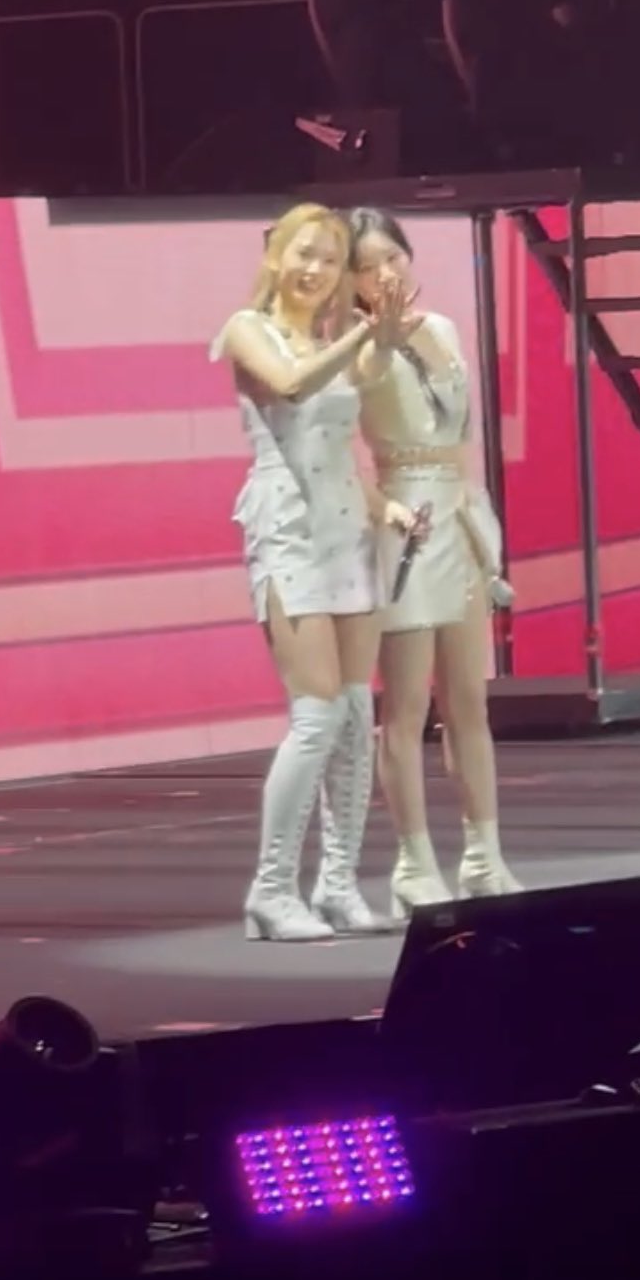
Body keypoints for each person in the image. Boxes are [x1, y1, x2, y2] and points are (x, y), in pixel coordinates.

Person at [211, 202, 426, 941]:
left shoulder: (329, 340)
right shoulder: (248, 330)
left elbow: (339, 452)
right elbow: (294, 386)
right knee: (317, 715)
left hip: (346, 534)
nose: (315, 270)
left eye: (330, 261)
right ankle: (271, 890)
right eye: (305, 254)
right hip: (288, 531)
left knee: (357, 714)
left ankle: (337, 885)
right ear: (276, 255)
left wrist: (387, 508)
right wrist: (369, 334)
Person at [347, 208, 521, 916]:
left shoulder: (443, 328)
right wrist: (379, 341)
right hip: (406, 523)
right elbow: (342, 442)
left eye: (393, 257)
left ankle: (485, 855)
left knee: (469, 701)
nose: (385, 274)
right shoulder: (354, 347)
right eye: (367, 267)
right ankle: (413, 862)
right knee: (407, 706)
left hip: (459, 512)